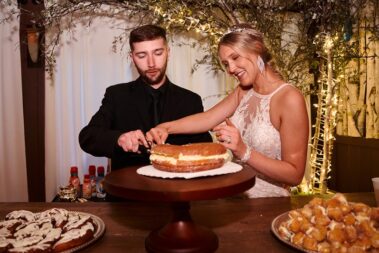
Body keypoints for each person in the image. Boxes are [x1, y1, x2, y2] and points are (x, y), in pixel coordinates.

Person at [147, 24, 309, 198]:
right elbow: (208, 118)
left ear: (257, 49)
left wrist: (243, 151)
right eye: (226, 64)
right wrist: (165, 127)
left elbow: (294, 175)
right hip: (233, 194)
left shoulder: (289, 98)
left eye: (235, 58)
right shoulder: (243, 91)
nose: (231, 69)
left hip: (268, 203)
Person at [79, 24, 212, 170]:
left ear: (168, 52)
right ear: (132, 58)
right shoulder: (117, 95)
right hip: (129, 191)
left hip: (176, 190)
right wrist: (118, 138)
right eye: (142, 55)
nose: (151, 63)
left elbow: (204, 151)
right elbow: (88, 137)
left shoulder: (190, 101)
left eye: (158, 53)